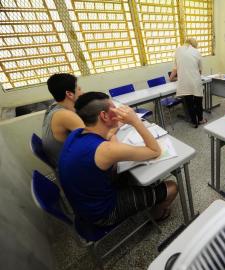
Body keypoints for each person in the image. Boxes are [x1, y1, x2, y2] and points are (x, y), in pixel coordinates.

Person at [58, 92, 178, 226]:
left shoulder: (77, 132)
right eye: (115, 108)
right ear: (103, 116)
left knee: (139, 177)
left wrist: (112, 128)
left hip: (85, 204)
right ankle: (157, 214)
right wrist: (135, 121)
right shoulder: (105, 150)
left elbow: (107, 137)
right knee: (172, 187)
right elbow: (155, 151)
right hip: (103, 213)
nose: (119, 111)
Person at [42, 73, 84, 168]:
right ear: (69, 94)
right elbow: (94, 140)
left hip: (64, 162)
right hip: (74, 169)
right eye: (79, 89)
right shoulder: (64, 115)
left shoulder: (54, 106)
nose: (82, 93)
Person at [169, 38, 206, 128]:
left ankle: (194, 122)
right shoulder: (196, 52)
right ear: (194, 44)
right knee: (198, 102)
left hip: (184, 83)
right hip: (195, 81)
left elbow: (175, 68)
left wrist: (171, 77)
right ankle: (200, 120)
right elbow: (200, 70)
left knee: (189, 104)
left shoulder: (178, 51)